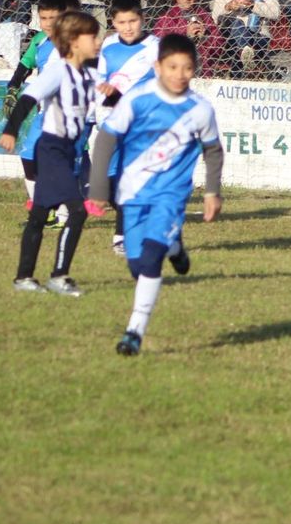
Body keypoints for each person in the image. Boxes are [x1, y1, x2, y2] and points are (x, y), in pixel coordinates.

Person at [88, 33, 224, 356]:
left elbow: (213, 151)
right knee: (137, 265)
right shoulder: (137, 99)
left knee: (150, 259)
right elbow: (106, 140)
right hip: (132, 194)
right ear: (157, 66)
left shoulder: (200, 110)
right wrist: (97, 187)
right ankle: (175, 246)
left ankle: (134, 330)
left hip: (170, 196)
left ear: (195, 70)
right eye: (172, 66)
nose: (179, 74)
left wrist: (212, 192)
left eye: (187, 68)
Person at [0, 10, 100, 297]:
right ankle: (59, 276)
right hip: (52, 148)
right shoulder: (59, 70)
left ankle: (23, 278)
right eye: (92, 36)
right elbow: (29, 98)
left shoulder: (90, 72)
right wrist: (11, 130)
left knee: (39, 216)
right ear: (75, 41)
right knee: (78, 211)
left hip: (69, 150)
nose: (97, 41)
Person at [92, 0, 161, 255]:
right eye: (122, 22)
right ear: (113, 23)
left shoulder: (156, 47)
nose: (128, 27)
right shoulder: (108, 46)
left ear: (142, 19)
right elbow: (99, 79)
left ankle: (121, 237)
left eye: (133, 21)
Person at [1, 0, 76, 211]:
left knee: (65, 162)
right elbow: (25, 65)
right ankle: (42, 208)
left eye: (53, 18)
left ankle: (65, 210)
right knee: (28, 156)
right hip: (45, 113)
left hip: (70, 113)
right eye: (44, 18)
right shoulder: (39, 41)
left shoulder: (74, 42)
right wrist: (13, 87)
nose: (48, 23)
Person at [210, 0, 280, 75]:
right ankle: (247, 55)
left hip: (258, 34)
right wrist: (229, 6)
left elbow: (275, 12)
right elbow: (215, 17)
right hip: (230, 35)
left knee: (238, 47)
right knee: (237, 24)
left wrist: (254, 5)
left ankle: (244, 58)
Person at [153, 0, 220, 72]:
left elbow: (219, 46)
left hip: (204, 67)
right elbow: (159, 46)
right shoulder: (166, 18)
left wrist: (205, 37)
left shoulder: (204, 16)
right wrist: (185, 33)